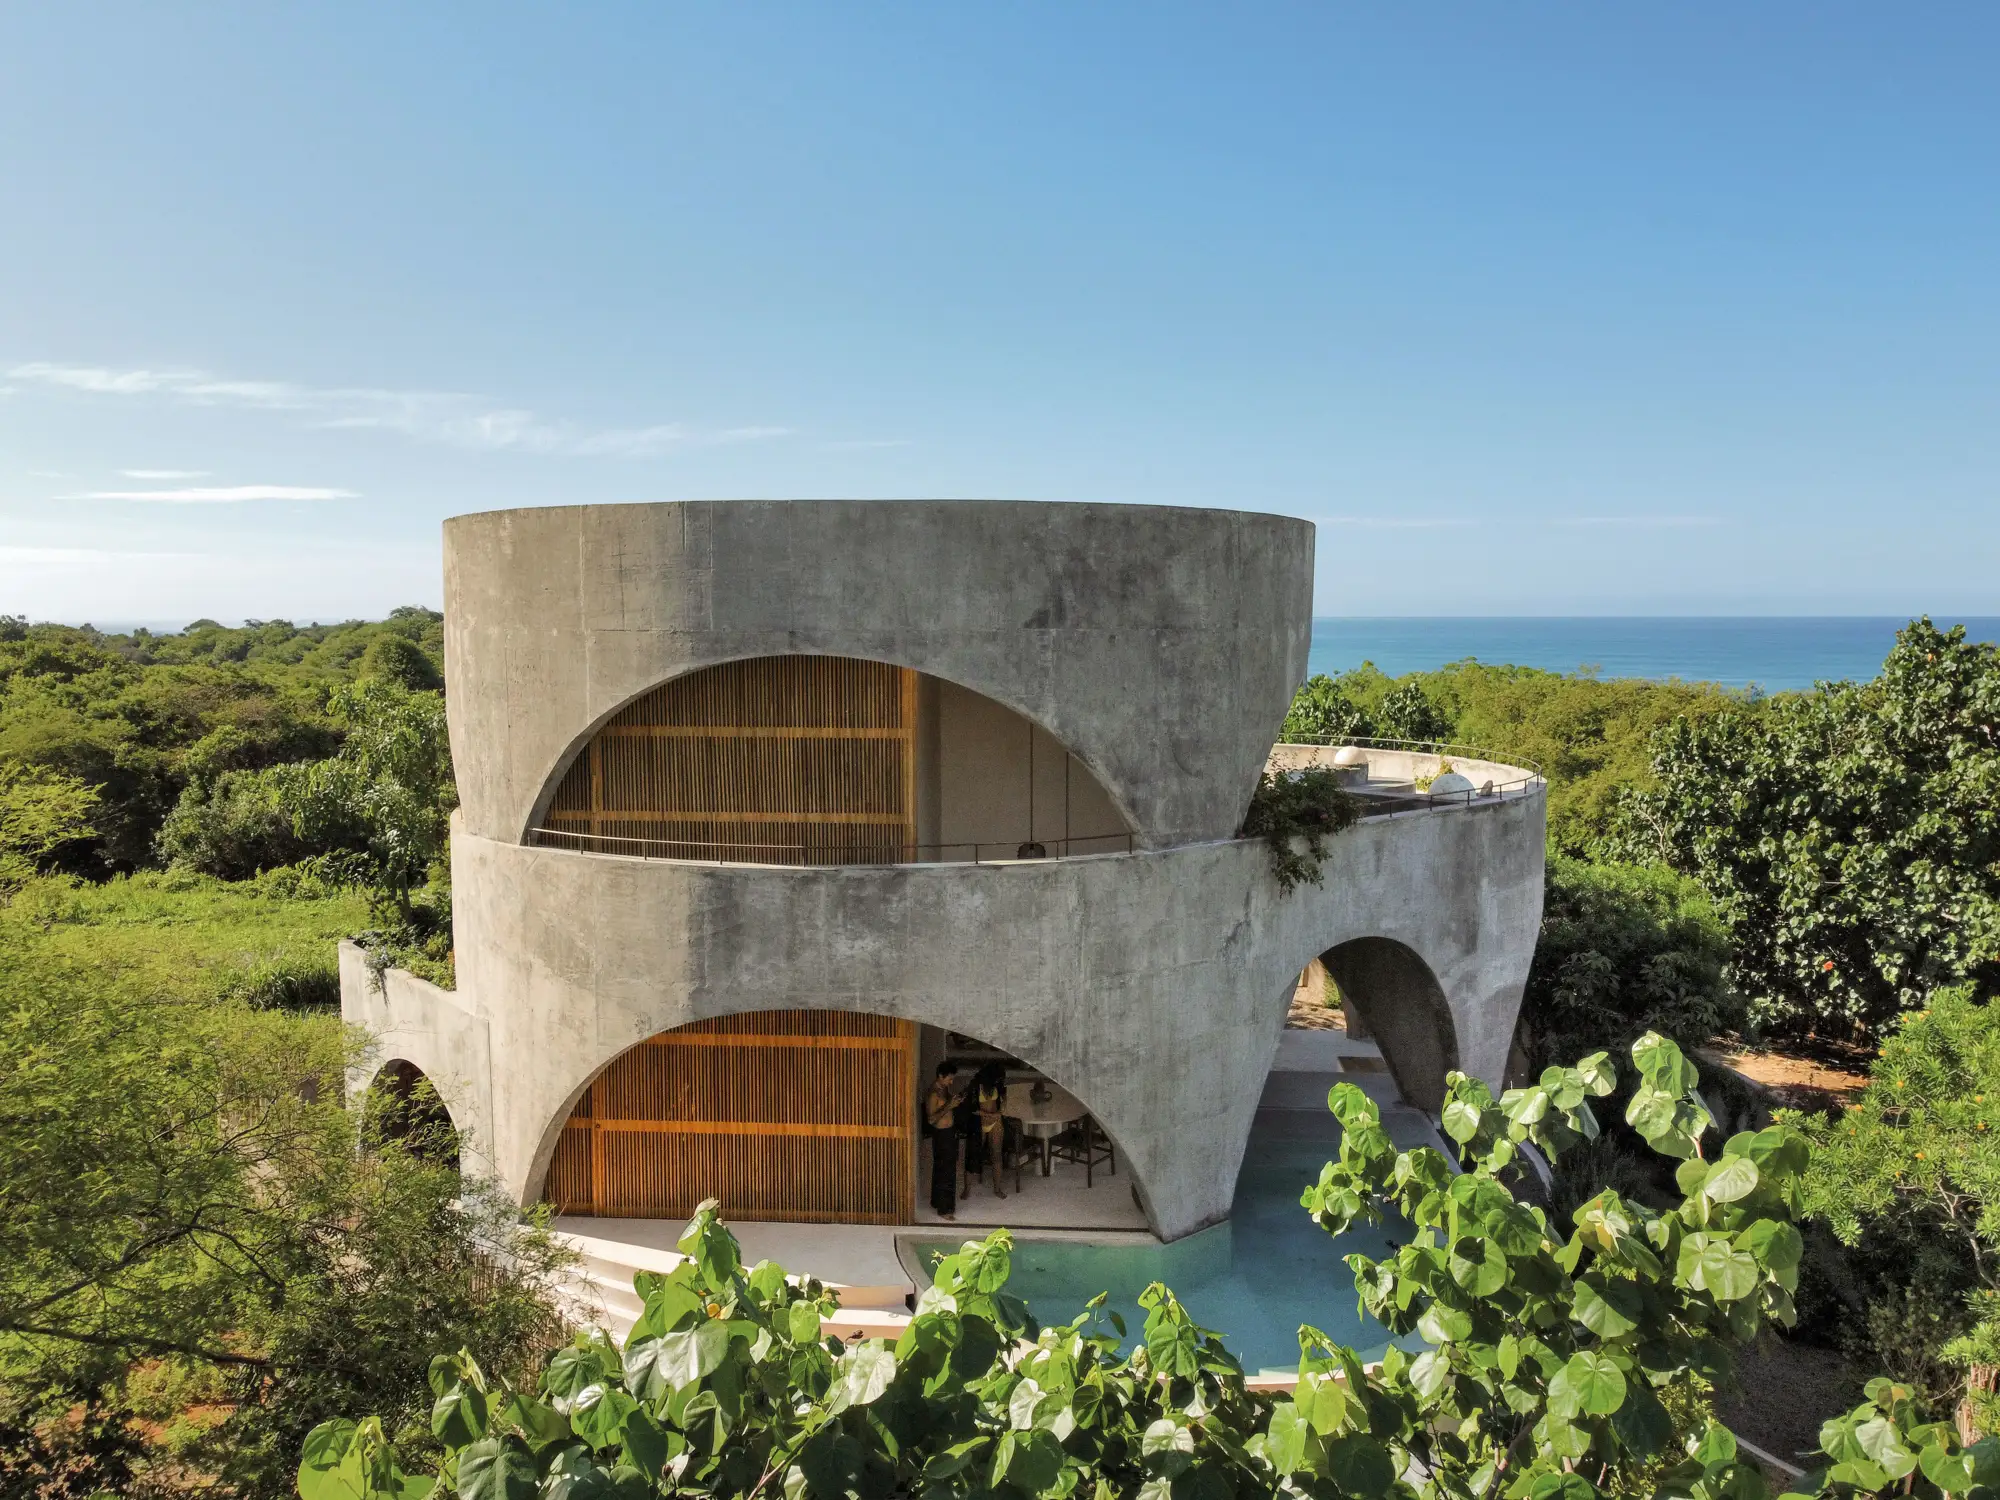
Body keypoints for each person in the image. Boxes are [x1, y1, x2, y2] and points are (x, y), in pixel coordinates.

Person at [924, 1062, 963, 1219]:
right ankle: (944, 1209)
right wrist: (949, 1106)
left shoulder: (944, 1089)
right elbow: (931, 1119)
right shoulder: (933, 1094)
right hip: (941, 1135)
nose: (951, 1082)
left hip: (949, 1131)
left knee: (947, 1168)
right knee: (945, 1171)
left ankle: (936, 1201)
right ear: (940, 1076)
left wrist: (954, 1102)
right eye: (949, 1079)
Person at [971, 1062, 1008, 1200]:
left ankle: (997, 1188)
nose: (1000, 1081)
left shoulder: (997, 1085)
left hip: (995, 1122)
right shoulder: (975, 1085)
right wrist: (985, 1114)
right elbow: (971, 1107)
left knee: (997, 1156)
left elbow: (1004, 1100)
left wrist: (1001, 1111)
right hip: (980, 1122)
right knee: (974, 1153)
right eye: (998, 1079)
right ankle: (968, 1188)